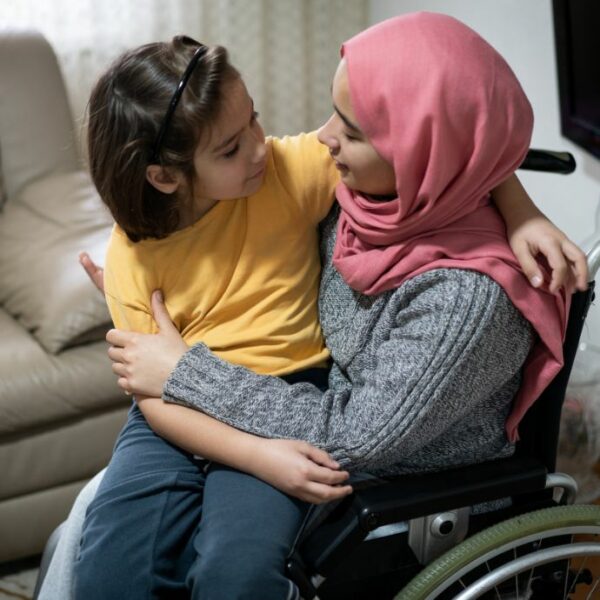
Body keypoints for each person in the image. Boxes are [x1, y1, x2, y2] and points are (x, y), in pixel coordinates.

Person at [43, 13, 585, 600]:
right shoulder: (362, 198)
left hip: (359, 459)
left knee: (227, 572)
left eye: (349, 130)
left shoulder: (462, 299)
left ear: (417, 151)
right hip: (254, 411)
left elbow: (353, 435)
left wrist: (184, 372)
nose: (323, 137)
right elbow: (460, 145)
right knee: (104, 553)